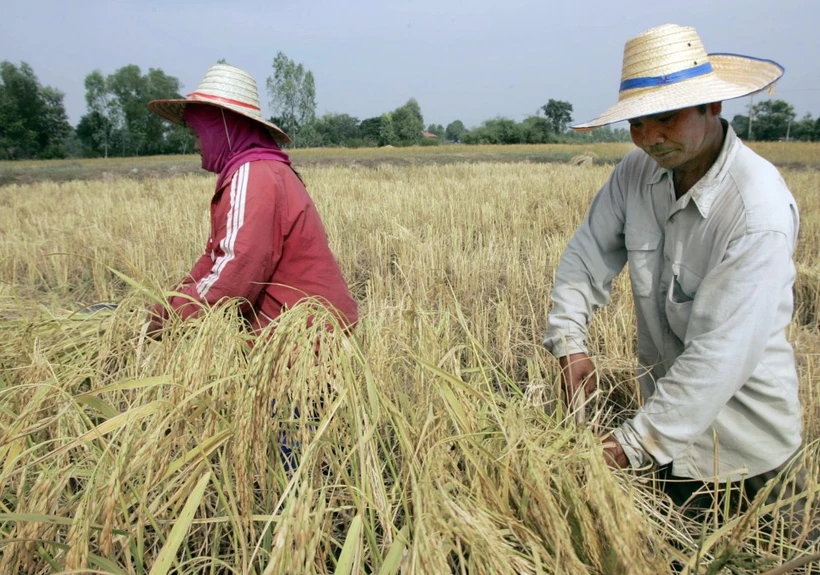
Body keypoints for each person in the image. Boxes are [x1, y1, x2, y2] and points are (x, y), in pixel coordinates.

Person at [542, 24, 809, 517]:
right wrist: (568, 341)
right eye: (637, 123)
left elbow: (719, 355)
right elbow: (587, 254)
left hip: (745, 456)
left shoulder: (756, 212)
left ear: (713, 106)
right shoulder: (636, 172)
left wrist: (629, 445)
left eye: (665, 118)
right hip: (666, 441)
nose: (650, 138)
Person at [145, 63, 357, 337]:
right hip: (303, 327)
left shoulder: (254, 176)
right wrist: (171, 300)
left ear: (223, 128)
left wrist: (166, 318)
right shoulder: (260, 169)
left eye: (198, 134)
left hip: (304, 337)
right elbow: (214, 256)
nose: (196, 145)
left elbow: (233, 280)